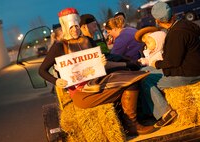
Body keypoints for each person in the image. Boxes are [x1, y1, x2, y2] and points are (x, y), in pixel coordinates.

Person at [39, 7, 155, 136]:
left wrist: (103, 62)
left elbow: (99, 65)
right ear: (65, 27)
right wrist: (56, 80)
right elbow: (42, 70)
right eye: (71, 27)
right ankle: (131, 124)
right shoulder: (59, 46)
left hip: (98, 81)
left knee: (132, 79)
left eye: (77, 27)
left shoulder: (88, 41)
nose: (75, 30)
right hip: (82, 92)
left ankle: (130, 122)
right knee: (129, 84)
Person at [140, 1, 200, 128]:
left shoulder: (176, 33)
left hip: (189, 74)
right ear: (173, 15)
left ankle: (165, 112)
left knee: (145, 80)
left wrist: (156, 64)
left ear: (157, 21)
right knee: (144, 70)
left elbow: (172, 62)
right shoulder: (186, 24)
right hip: (190, 67)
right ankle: (150, 112)